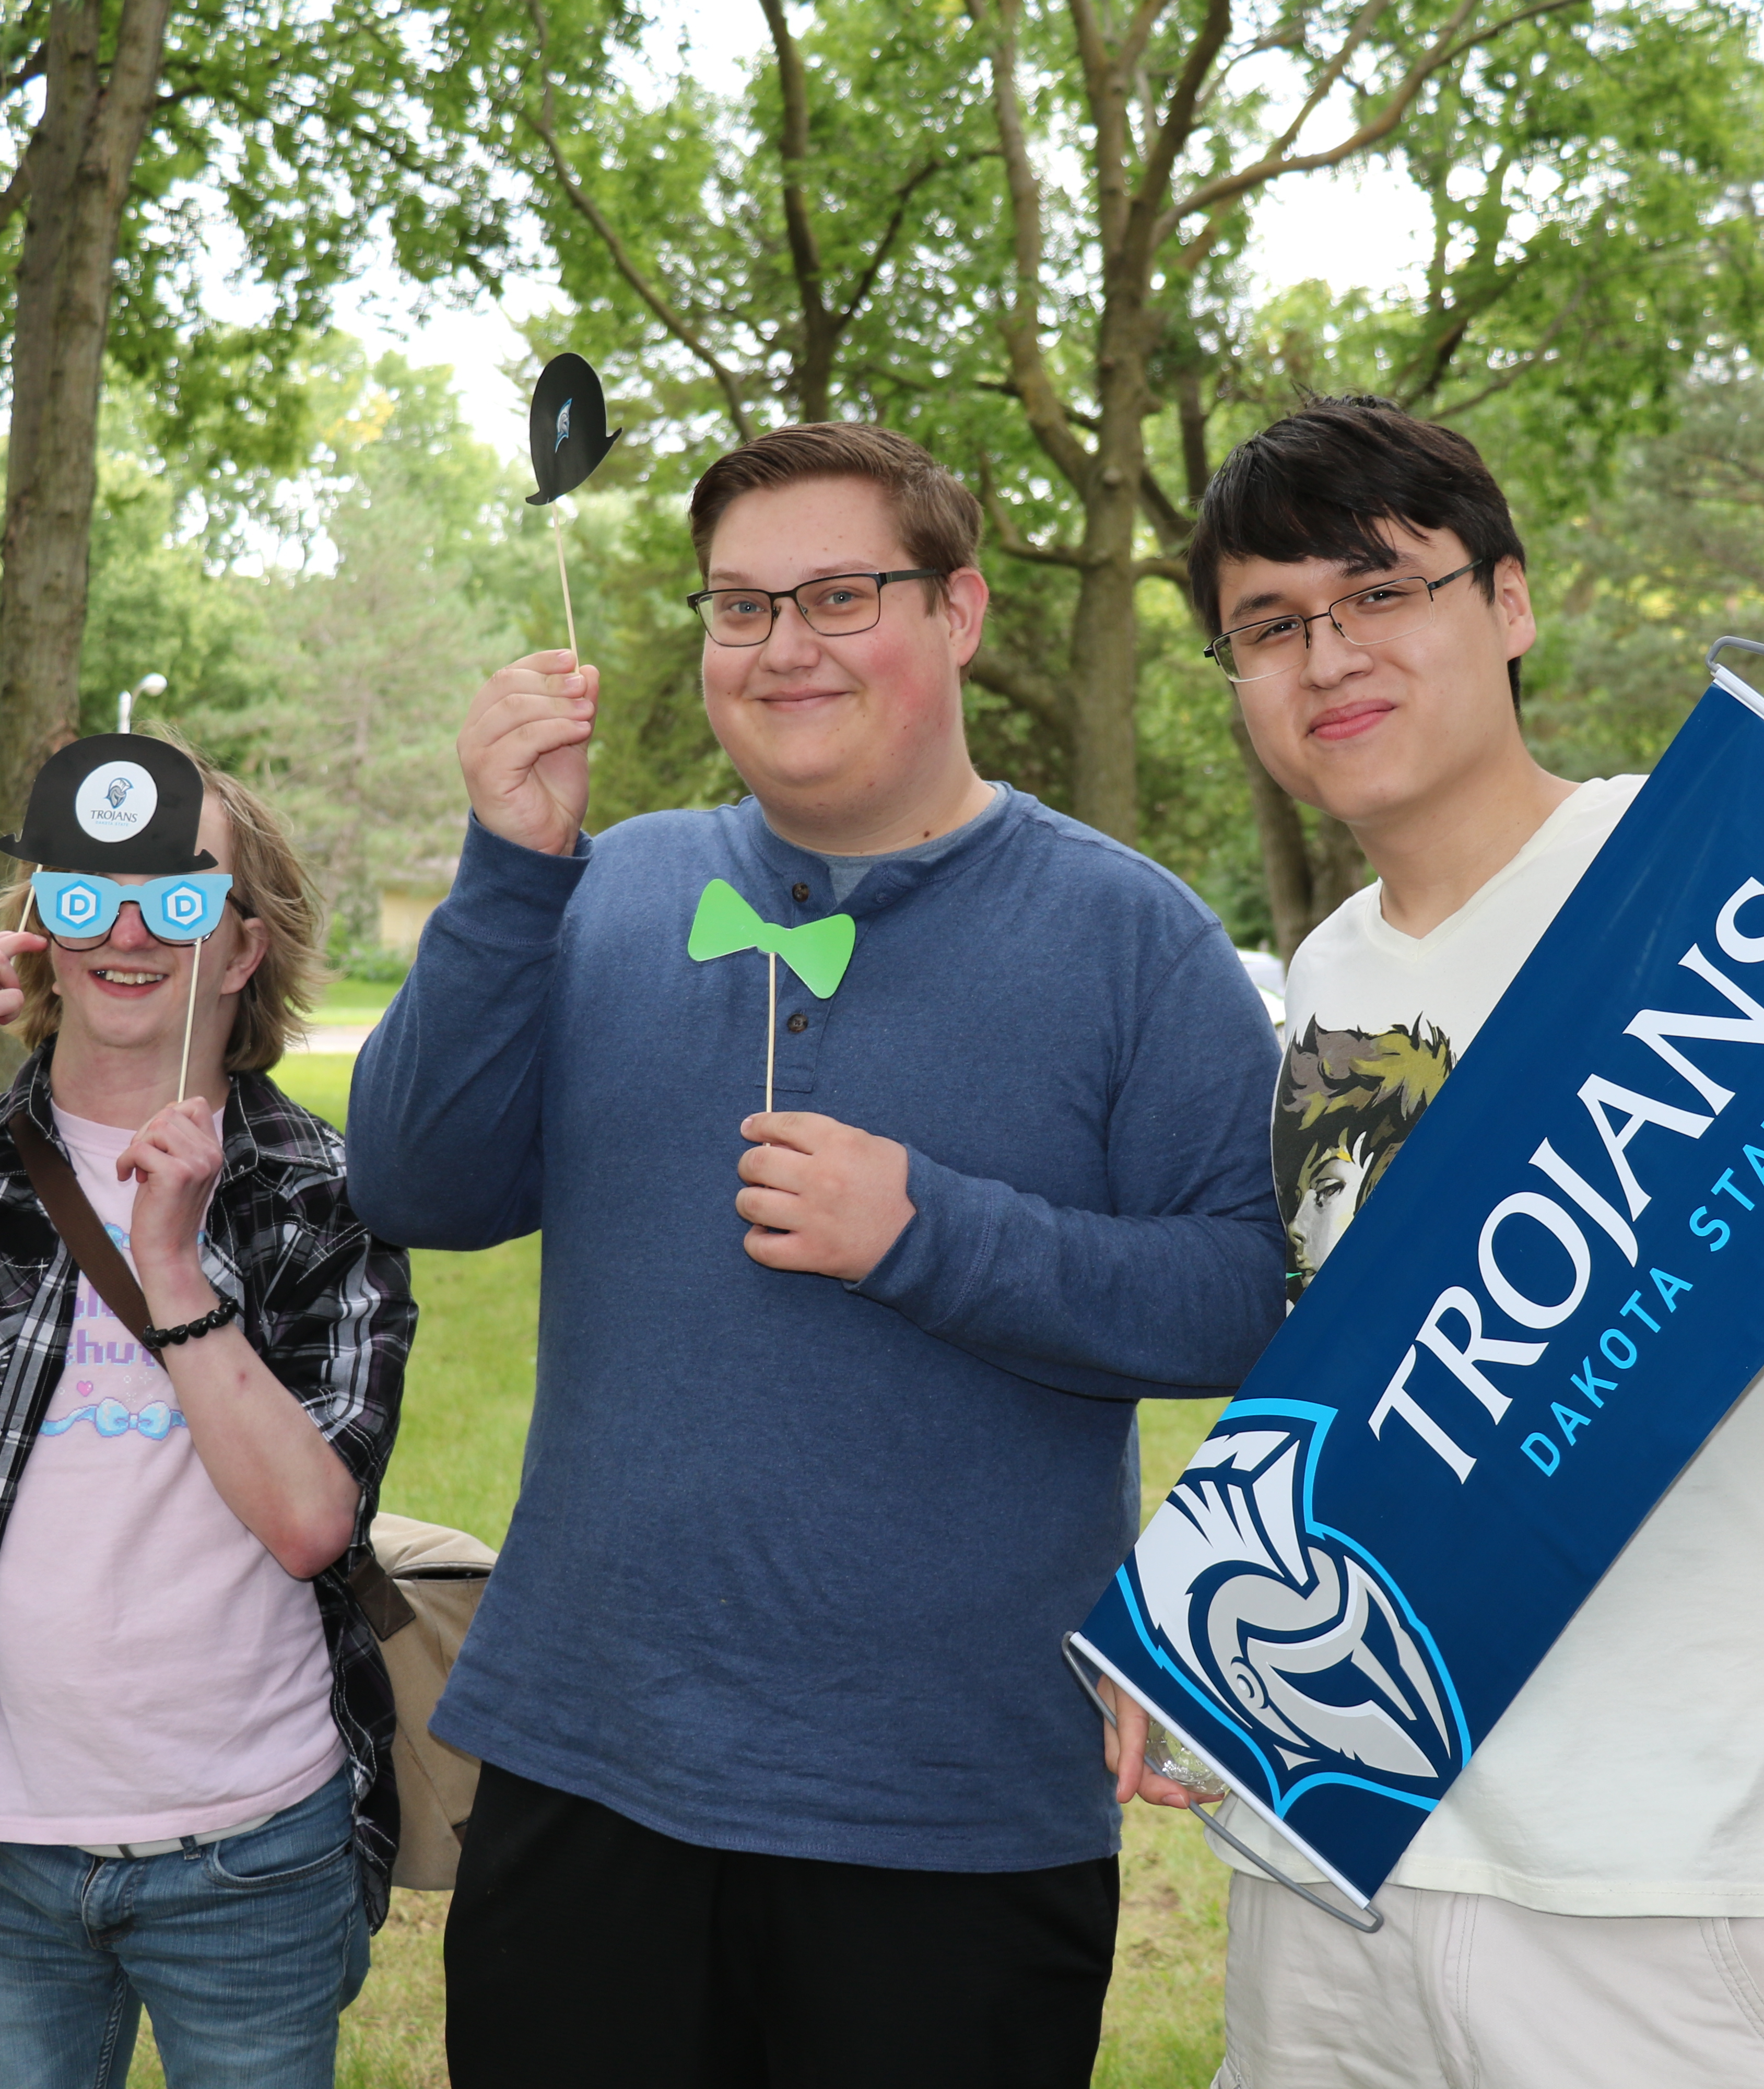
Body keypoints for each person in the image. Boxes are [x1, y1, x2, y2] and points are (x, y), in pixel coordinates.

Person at [1109, 396, 1764, 2088]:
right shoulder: (1322, 975)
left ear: (1509, 605)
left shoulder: (1718, 891)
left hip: (1665, 1887)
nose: (1328, 657)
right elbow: (1358, 1368)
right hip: (1333, 1851)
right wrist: (1198, 1631)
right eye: (1271, 625)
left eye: (1382, 591)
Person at [344, 421, 1289, 2087]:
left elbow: (1242, 1295)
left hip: (950, 1814)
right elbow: (417, 1181)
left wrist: (930, 1233)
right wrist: (509, 870)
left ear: (963, 614)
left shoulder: (1136, 939)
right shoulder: (607, 893)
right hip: (585, 1774)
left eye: (840, 596)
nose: (783, 647)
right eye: (739, 607)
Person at [0, 736, 416, 2089]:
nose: (128, 930)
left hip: (255, 1847)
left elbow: (312, 1525)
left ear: (242, 950)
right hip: (4, 1847)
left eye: (178, 895)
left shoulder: (321, 1192)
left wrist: (175, 1273)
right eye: (84, 892)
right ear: (36, 933)